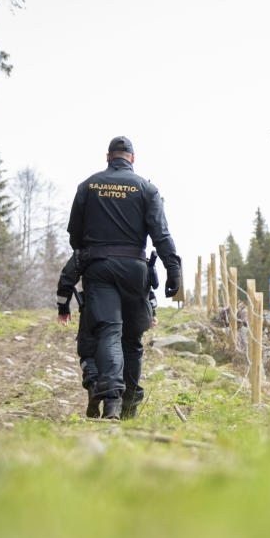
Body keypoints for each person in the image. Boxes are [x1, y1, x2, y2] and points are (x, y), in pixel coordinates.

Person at [64, 136, 180, 420]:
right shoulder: (146, 188)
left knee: (108, 331)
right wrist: (173, 268)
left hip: (99, 267)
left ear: (108, 157)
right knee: (132, 339)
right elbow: (160, 234)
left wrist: (91, 254)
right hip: (134, 269)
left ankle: (111, 403)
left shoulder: (87, 186)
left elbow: (74, 236)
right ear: (132, 158)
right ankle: (128, 408)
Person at [57, 251, 159, 418]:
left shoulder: (89, 249)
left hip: (94, 309)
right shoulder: (133, 254)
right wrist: (152, 310)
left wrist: (63, 306)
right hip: (128, 313)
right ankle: (123, 406)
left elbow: (67, 277)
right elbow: (144, 287)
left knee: (88, 353)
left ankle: (94, 385)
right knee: (125, 352)